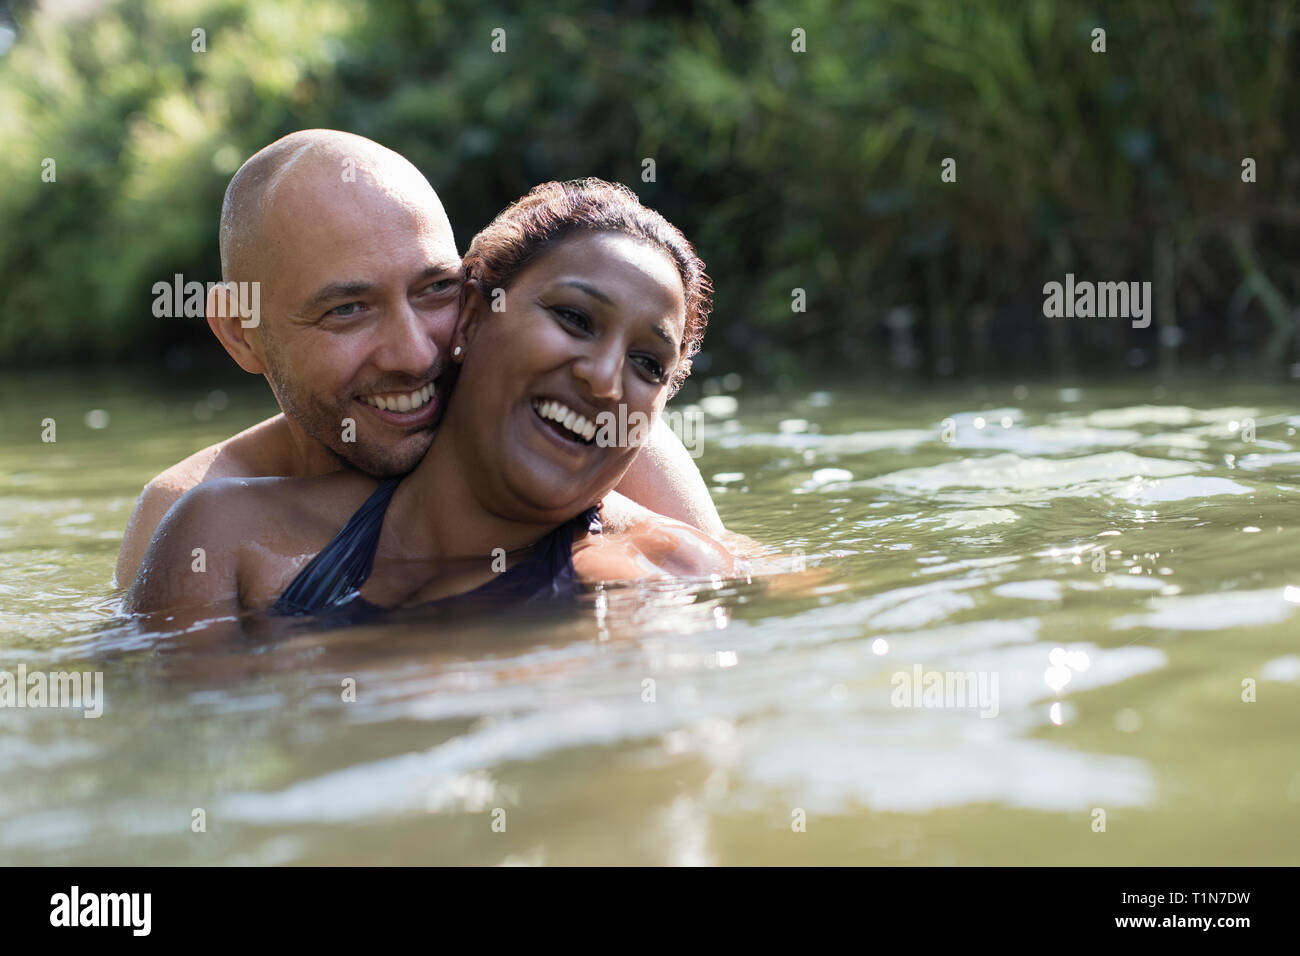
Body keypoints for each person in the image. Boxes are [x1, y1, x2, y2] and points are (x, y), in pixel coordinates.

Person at [113, 130, 723, 588]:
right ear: (240, 334)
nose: (414, 353)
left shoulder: (573, 413)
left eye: (435, 289)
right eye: (348, 309)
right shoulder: (197, 515)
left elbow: (719, 577)